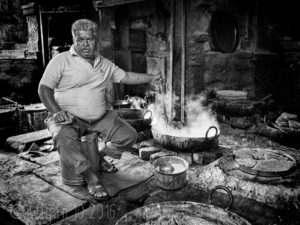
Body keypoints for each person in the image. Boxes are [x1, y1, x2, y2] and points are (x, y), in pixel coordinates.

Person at [38, 19, 163, 201]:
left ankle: (100, 156)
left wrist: (152, 77)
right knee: (64, 140)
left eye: (89, 39)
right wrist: (57, 112)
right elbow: (44, 89)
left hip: (99, 118)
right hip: (67, 118)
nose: (86, 44)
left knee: (129, 135)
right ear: (73, 39)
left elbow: (126, 76)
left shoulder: (104, 64)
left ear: (96, 39)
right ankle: (92, 178)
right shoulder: (60, 60)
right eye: (80, 39)